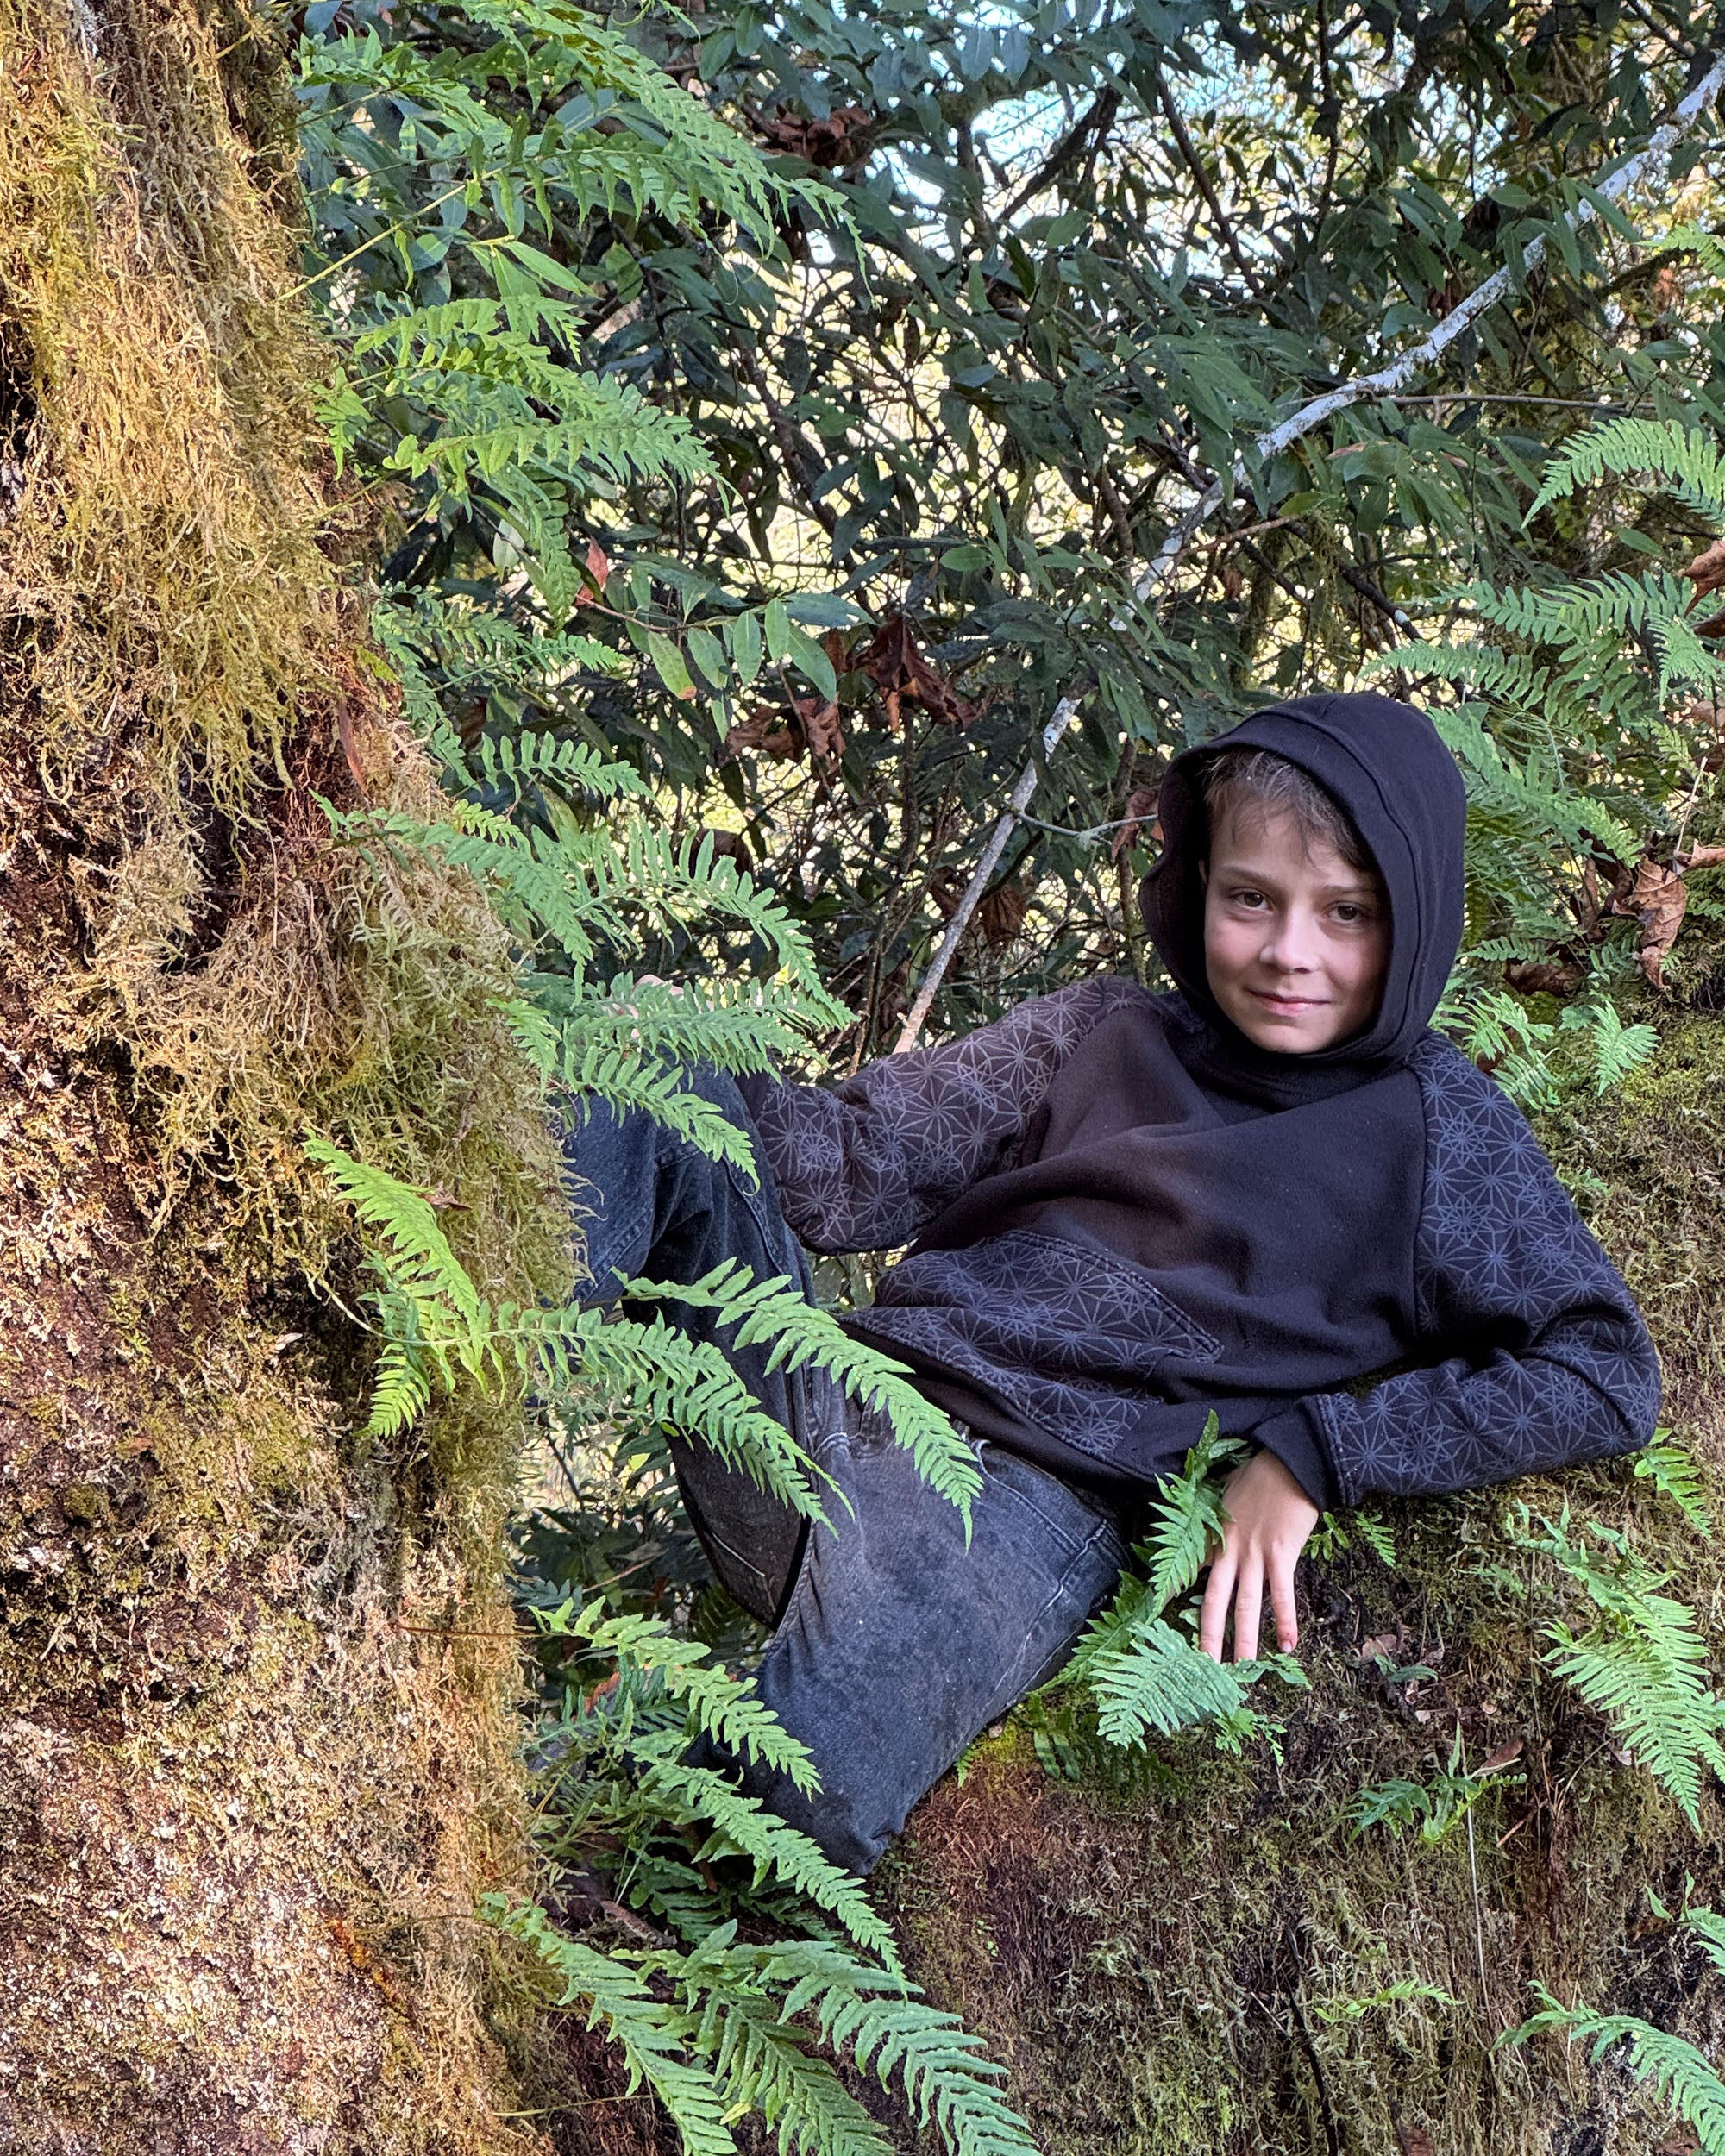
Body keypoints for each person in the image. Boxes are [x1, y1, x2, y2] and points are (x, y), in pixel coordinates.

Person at [567, 692, 1660, 1875]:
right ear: (1199, 887)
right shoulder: (1103, 1028)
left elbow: (1601, 1368)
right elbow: (846, 1168)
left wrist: (1318, 1454)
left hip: (1021, 1515)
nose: (1290, 952)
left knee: (792, 1802)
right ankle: (454, 1364)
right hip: (834, 1399)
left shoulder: (1437, 1130)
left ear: (1417, 918)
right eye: (1251, 899)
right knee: (647, 1079)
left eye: (1347, 913)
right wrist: (665, 1061)